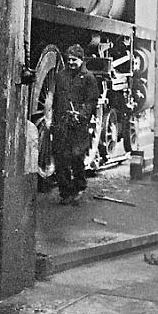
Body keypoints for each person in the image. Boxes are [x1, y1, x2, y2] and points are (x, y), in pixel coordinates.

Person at [52, 44, 99, 205]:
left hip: (78, 125)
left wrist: (81, 115)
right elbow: (55, 99)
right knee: (60, 158)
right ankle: (65, 192)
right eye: (69, 59)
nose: (71, 62)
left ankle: (79, 186)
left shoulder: (88, 78)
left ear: (81, 60)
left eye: (74, 60)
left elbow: (92, 101)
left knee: (76, 156)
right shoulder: (61, 76)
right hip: (62, 123)